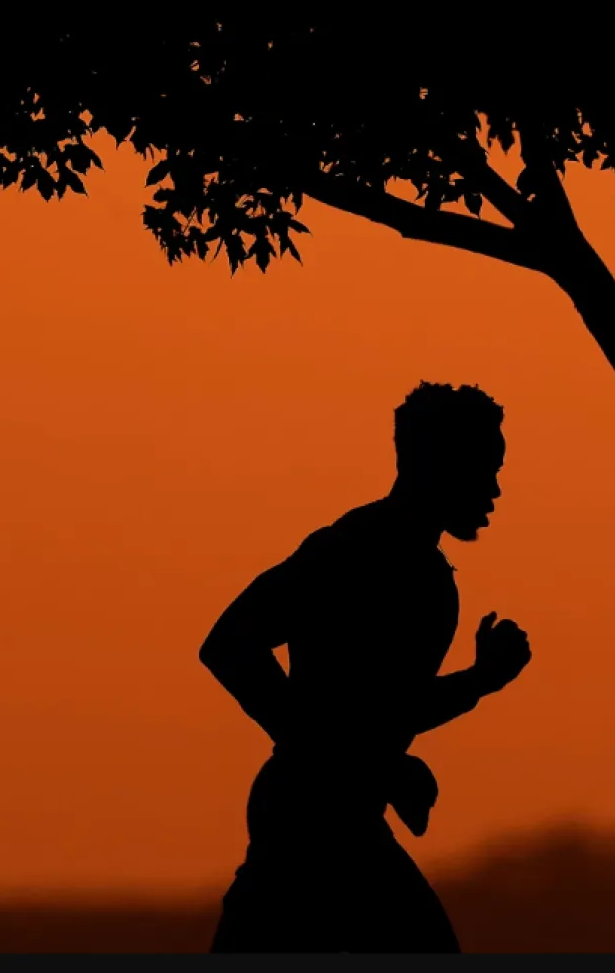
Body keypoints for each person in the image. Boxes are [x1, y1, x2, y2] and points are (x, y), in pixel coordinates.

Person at [199, 381, 533, 953]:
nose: (496, 489)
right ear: (436, 464)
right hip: (309, 826)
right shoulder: (352, 550)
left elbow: (382, 707)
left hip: (339, 817)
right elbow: (229, 644)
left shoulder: (425, 572)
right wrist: (333, 756)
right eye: (484, 468)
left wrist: (475, 685)